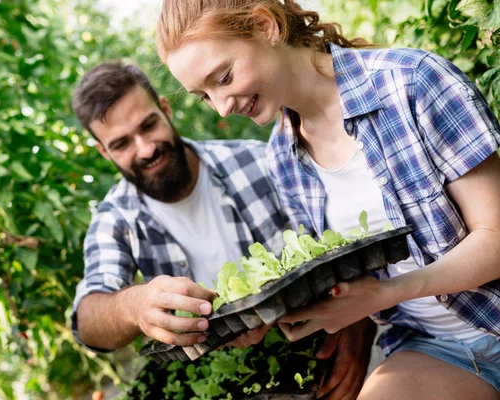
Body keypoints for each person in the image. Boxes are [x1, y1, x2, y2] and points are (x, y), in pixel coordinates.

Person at [157, 1, 500, 399]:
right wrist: (264, 312)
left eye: (224, 77)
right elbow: (353, 273)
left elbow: (495, 237)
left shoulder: (412, 82)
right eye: (204, 96)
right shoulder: (284, 157)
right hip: (435, 346)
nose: (222, 106)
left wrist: (389, 293)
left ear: (266, 26)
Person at [71, 60, 376, 399]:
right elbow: (88, 318)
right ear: (103, 152)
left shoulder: (259, 162)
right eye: (121, 144)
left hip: (317, 352)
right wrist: (133, 306)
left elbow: (344, 242)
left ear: (165, 109)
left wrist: (358, 325)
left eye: (148, 125)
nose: (145, 148)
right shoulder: (115, 220)